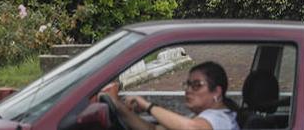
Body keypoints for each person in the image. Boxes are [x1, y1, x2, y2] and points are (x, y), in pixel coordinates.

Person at [100, 61, 240, 130]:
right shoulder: (205, 117)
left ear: (216, 91)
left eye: (197, 85)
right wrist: (118, 106)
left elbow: (191, 128)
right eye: (188, 84)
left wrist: (148, 106)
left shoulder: (222, 119)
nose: (189, 90)